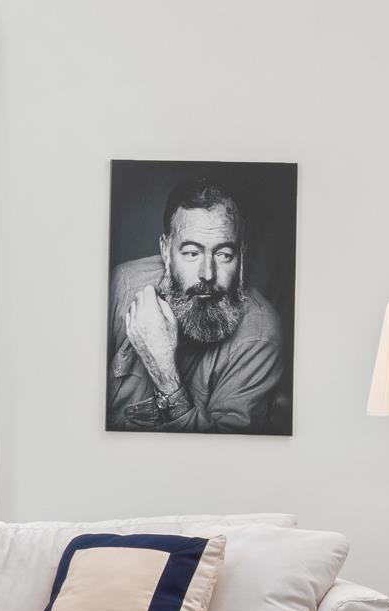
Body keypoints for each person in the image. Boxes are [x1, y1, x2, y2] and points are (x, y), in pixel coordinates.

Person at [107, 178, 285, 432]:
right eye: (191, 253)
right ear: (166, 251)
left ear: (242, 257)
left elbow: (225, 460)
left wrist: (164, 371)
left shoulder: (261, 335)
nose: (207, 274)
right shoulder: (122, 285)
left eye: (224, 255)